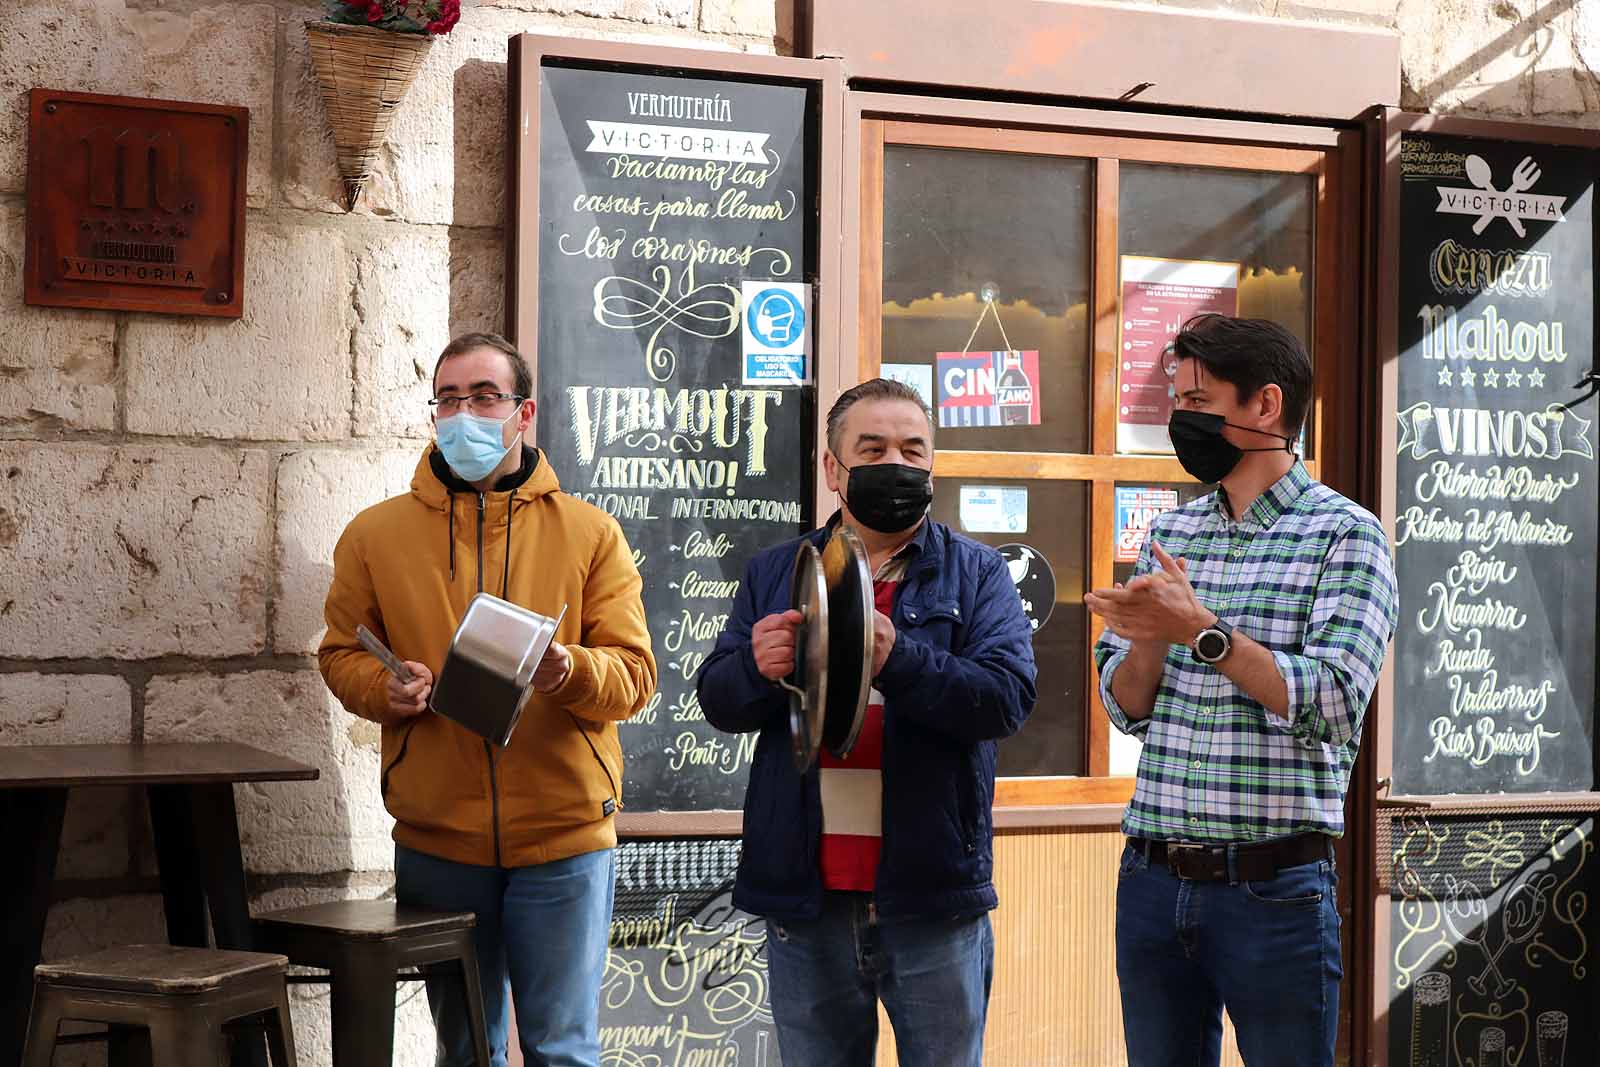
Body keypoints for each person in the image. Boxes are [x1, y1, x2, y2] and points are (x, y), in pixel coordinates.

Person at [318, 333, 657, 1067]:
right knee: (466, 1047)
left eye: (483, 397)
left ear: (523, 411)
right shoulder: (375, 534)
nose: (462, 412)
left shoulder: (590, 532)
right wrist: (387, 688)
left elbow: (635, 675)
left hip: (563, 836)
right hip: (439, 839)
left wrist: (568, 670)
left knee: (562, 1050)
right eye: (447, 398)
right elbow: (339, 652)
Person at [696, 377, 1037, 1067]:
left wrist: (899, 656)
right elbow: (717, 699)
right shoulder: (775, 571)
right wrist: (755, 668)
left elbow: (1006, 698)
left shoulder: (978, 575)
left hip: (932, 898)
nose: (897, 464)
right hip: (805, 896)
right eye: (873, 447)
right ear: (833, 467)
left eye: (914, 449)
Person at [1087, 315, 1397, 1067]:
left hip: (1275, 891)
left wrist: (1203, 631)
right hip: (1154, 879)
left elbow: (1331, 701)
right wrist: (1153, 637)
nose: (1180, 418)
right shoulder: (1176, 531)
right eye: (1177, 398)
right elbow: (1126, 705)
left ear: (1264, 406)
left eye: (1198, 399)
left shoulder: (1346, 536)